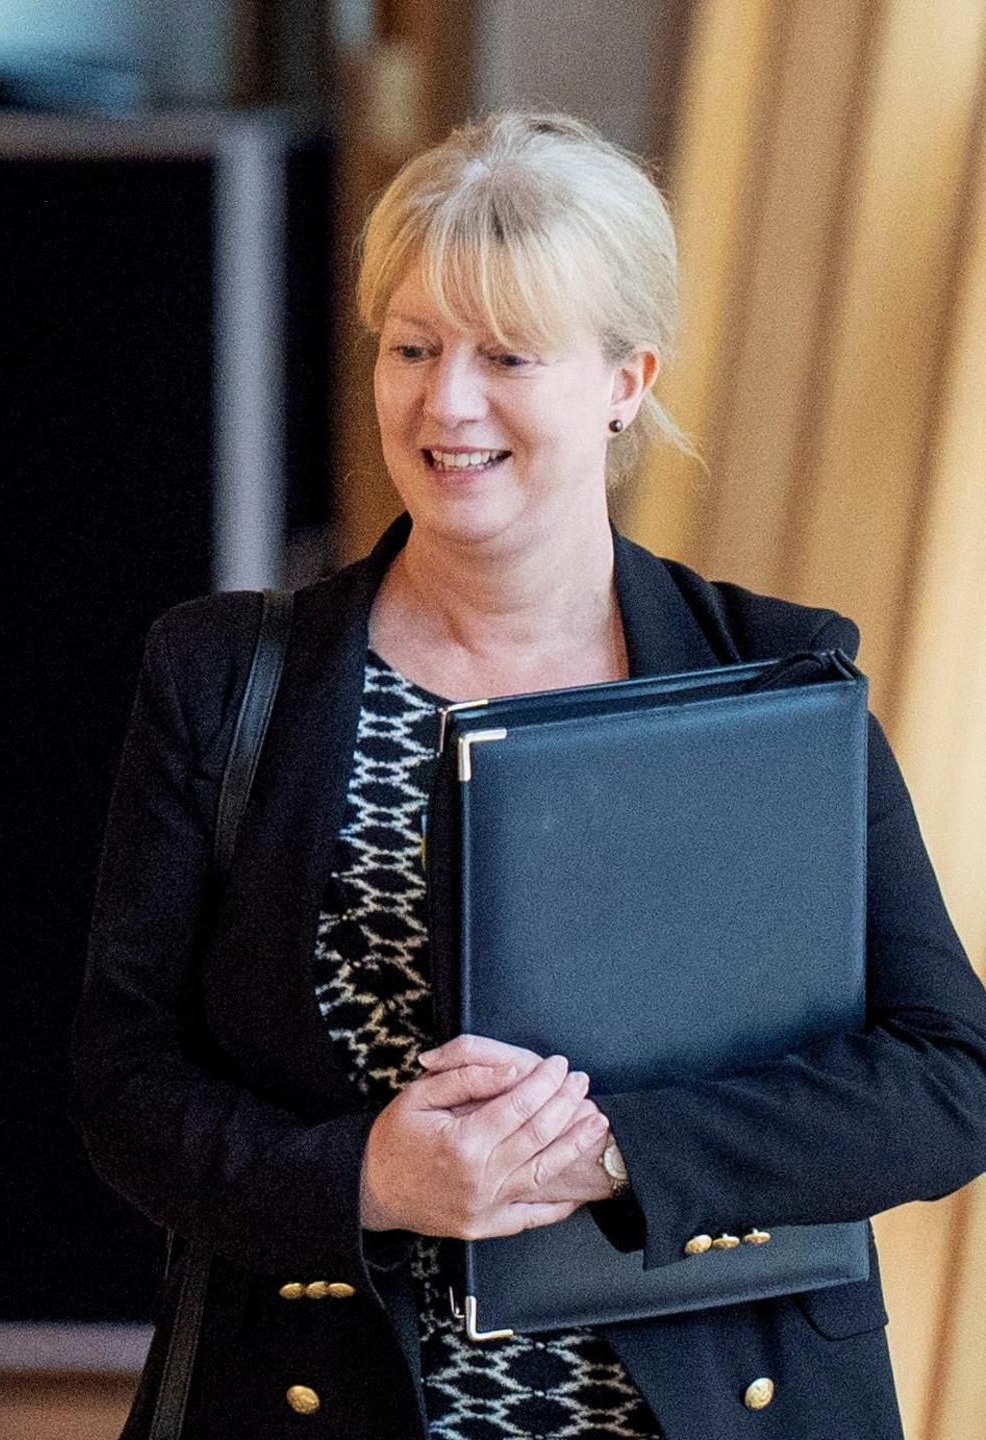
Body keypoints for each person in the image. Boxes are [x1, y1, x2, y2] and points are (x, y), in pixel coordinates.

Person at [71, 112, 986, 1439]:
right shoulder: (224, 681)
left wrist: (616, 1151)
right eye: (413, 348)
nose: (446, 403)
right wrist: (369, 1173)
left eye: (507, 354)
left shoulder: (775, 679)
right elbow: (125, 1082)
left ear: (626, 378)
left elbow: (948, 1079)